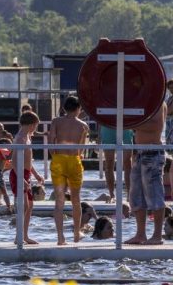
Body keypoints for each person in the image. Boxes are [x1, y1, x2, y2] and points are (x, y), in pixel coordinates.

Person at [47, 95, 89, 245]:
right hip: (74, 161)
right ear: (78, 109)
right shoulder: (83, 125)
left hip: (59, 160)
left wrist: (55, 157)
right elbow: (81, 149)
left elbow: (51, 141)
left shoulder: (56, 122)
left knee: (59, 201)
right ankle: (77, 233)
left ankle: (60, 237)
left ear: (64, 108)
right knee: (76, 200)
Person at [125, 101, 167, 245]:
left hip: (152, 152)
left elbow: (156, 125)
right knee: (136, 195)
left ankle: (157, 235)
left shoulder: (158, 103)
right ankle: (140, 234)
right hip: (139, 152)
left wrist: (133, 123)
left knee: (154, 194)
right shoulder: (143, 102)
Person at [10, 111, 44, 245]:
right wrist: (22, 179)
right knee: (24, 205)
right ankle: (18, 236)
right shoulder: (20, 138)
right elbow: (13, 162)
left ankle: (25, 235)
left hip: (25, 173)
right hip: (18, 174)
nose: (36, 128)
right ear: (31, 124)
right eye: (35, 125)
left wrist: (35, 174)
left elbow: (28, 161)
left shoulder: (27, 136)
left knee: (29, 206)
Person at [99, 123, 133, 203]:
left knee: (127, 163)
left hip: (126, 125)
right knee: (109, 163)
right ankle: (112, 195)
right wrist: (99, 134)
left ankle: (129, 194)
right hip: (108, 125)